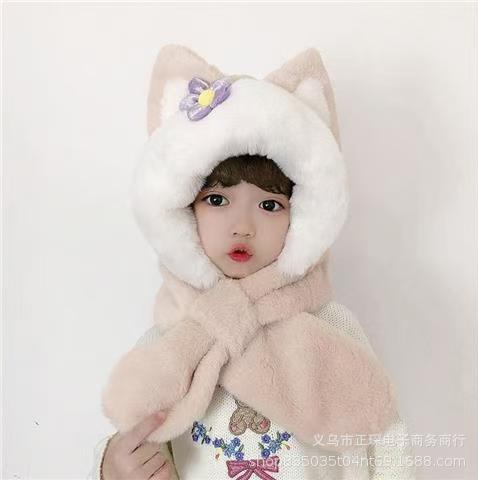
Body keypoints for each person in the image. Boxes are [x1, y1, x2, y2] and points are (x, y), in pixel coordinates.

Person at [88, 45, 416, 480]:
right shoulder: (169, 339)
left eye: (270, 205)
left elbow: (384, 432)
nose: (242, 226)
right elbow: (132, 435)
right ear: (183, 210)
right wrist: (113, 466)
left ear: (302, 217)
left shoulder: (331, 324)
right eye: (217, 200)